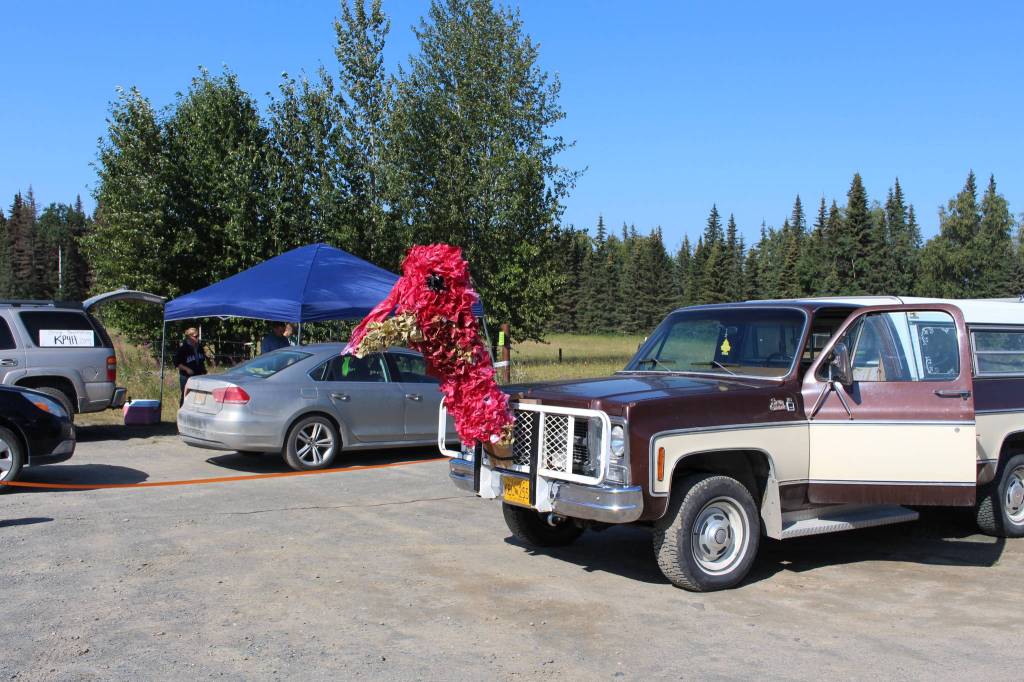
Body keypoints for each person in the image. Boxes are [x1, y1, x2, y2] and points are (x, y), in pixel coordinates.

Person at [174, 327, 208, 405]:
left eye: (198, 336)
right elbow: (176, 363)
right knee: (186, 396)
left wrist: (203, 370)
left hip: (198, 375)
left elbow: (202, 360)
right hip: (186, 377)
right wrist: (187, 369)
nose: (197, 338)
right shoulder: (183, 349)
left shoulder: (199, 347)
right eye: (196, 336)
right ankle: (182, 411)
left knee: (199, 396)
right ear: (190, 337)